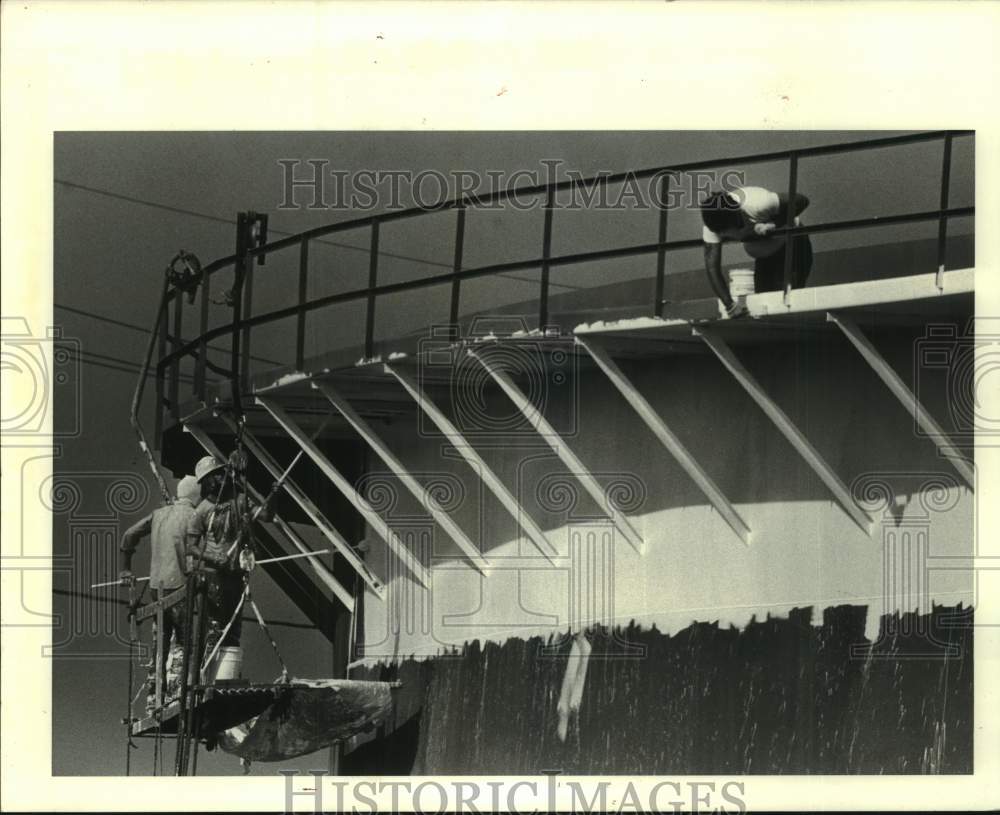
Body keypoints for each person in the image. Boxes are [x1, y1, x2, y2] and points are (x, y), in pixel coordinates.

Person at [119, 474, 200, 710]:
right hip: (180, 587)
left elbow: (129, 535)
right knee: (185, 643)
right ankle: (177, 695)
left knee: (160, 642)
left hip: (157, 588)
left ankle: (155, 697)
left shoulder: (159, 514)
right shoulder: (194, 516)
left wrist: (126, 569)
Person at [186, 455, 272, 665]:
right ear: (206, 483)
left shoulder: (240, 500)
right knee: (213, 628)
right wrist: (213, 556)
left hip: (235, 573)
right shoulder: (202, 510)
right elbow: (190, 546)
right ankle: (206, 670)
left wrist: (274, 494)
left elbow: (266, 515)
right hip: (213, 575)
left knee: (233, 629)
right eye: (211, 478)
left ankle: (225, 673)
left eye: (218, 475)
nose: (216, 480)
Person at [699, 185, 813, 315]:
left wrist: (775, 224)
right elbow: (712, 267)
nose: (728, 237)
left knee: (785, 304)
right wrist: (729, 305)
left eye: (729, 233)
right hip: (765, 255)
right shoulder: (712, 226)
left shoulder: (759, 203)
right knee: (763, 303)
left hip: (793, 244)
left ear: (737, 217)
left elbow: (802, 200)